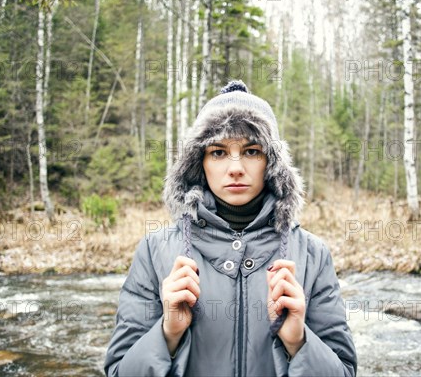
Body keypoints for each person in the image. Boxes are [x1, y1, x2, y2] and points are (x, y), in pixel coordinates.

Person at [104, 81, 357, 376]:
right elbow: (119, 372)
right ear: (199, 163)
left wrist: (298, 341)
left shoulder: (312, 254)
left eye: (251, 151)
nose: (235, 167)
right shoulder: (155, 251)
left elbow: (345, 371)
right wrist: (167, 333)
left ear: (271, 162)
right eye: (219, 152)